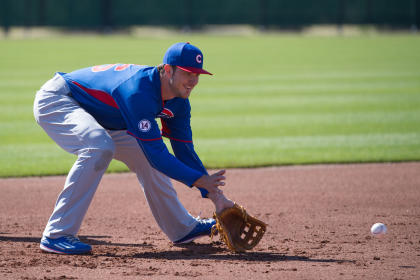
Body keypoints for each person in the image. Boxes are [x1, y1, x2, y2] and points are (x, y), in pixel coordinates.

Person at [33, 42, 234, 255]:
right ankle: (56, 234)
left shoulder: (179, 102)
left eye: (197, 74)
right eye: (188, 73)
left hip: (107, 119)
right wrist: (198, 181)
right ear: (168, 70)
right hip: (60, 100)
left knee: (144, 156)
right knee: (99, 147)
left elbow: (184, 151)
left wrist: (216, 197)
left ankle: (182, 228)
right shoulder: (138, 91)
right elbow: (158, 155)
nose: (193, 81)